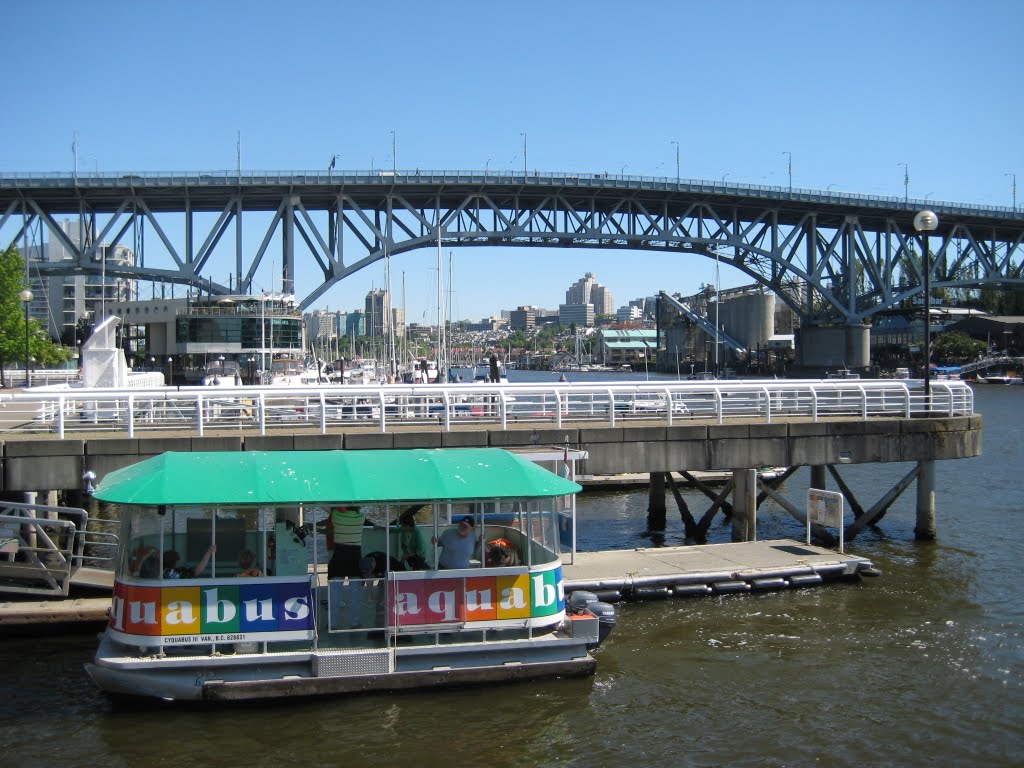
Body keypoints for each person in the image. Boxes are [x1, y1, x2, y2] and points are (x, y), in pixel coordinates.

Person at [327, 506, 365, 579]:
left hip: (339, 555)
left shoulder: (336, 514)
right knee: (355, 587)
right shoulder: (361, 516)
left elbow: (334, 508)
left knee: (335, 586)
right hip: (355, 556)